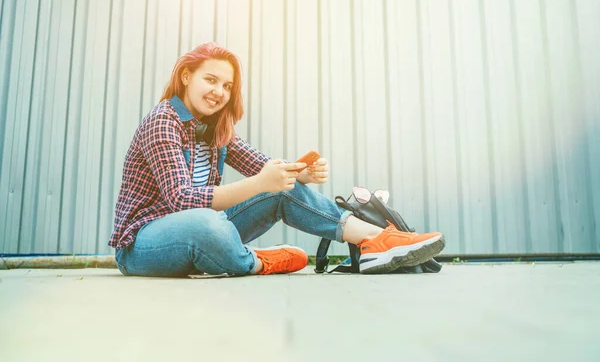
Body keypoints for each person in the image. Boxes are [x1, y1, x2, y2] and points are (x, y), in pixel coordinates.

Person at [110, 42, 445, 277]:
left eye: (227, 85)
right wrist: (260, 182)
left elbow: (264, 167)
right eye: (210, 80)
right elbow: (181, 200)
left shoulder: (216, 129)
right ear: (186, 77)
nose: (219, 92)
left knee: (276, 192)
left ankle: (376, 239)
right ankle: (251, 261)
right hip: (143, 245)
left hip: (202, 233)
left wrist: (298, 173)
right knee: (206, 224)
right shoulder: (163, 121)